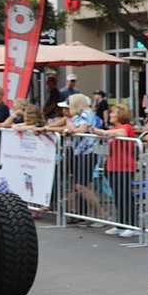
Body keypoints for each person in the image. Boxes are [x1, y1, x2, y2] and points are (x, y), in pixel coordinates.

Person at [62, 93, 106, 224]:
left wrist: (71, 129)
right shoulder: (78, 116)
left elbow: (80, 129)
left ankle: (101, 212)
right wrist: (69, 129)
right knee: (85, 185)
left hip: (88, 152)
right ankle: (92, 215)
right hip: (80, 152)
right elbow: (69, 128)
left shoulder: (86, 114)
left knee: (81, 186)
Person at [94, 104, 137, 237]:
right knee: (118, 196)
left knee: (125, 196)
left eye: (113, 113)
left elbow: (122, 133)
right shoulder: (113, 129)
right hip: (113, 167)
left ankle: (132, 225)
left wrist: (104, 132)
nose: (111, 114)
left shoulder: (126, 127)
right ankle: (121, 224)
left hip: (124, 167)